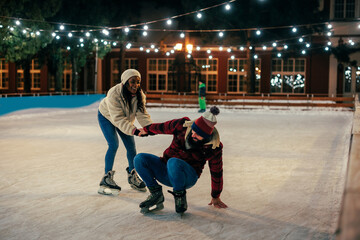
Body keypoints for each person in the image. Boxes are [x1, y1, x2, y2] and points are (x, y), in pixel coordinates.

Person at [134, 106, 227, 214]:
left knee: (173, 162)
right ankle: (156, 194)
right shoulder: (182, 125)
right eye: (193, 130)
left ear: (206, 136)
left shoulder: (214, 147)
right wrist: (146, 130)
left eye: (198, 134)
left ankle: (180, 198)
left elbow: (217, 172)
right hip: (166, 170)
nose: (193, 135)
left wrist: (215, 196)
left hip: (187, 177)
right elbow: (162, 127)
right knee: (140, 159)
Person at [97, 69, 152, 195]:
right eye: (133, 82)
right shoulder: (114, 94)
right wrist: (135, 131)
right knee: (113, 144)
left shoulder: (139, 94)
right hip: (106, 116)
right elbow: (118, 119)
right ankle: (106, 177)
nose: (136, 85)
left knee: (131, 148)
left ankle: (133, 175)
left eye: (138, 82)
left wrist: (150, 127)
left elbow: (142, 113)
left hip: (124, 119)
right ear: (125, 82)